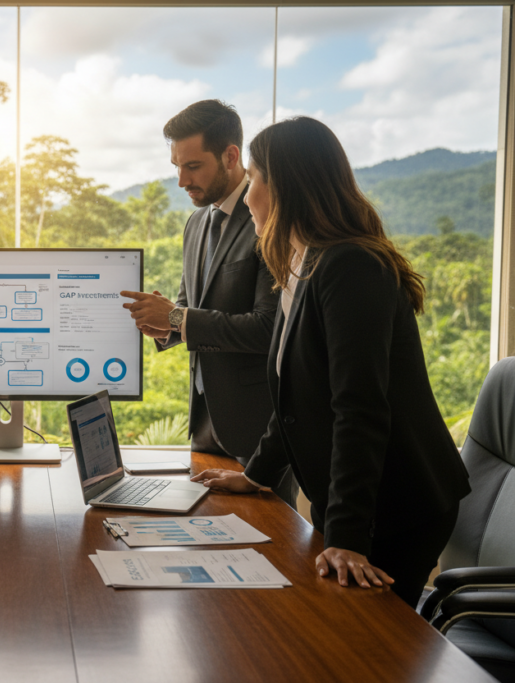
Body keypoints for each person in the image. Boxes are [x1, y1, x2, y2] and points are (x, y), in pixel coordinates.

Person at [191, 116, 471, 609]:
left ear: (286, 187)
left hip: (397, 505)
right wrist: (256, 474)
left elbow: (358, 408)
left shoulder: (351, 266)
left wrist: (345, 534)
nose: (248, 194)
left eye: (254, 179)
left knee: (363, 642)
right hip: (353, 501)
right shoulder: (301, 263)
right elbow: (294, 400)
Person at [121, 99, 296, 506]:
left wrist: (180, 316)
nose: (181, 180)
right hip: (205, 426)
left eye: (193, 166)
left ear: (231, 155)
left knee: (269, 553)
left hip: (259, 432)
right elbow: (188, 306)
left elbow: (269, 328)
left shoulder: (268, 221)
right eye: (177, 167)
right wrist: (164, 325)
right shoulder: (196, 222)